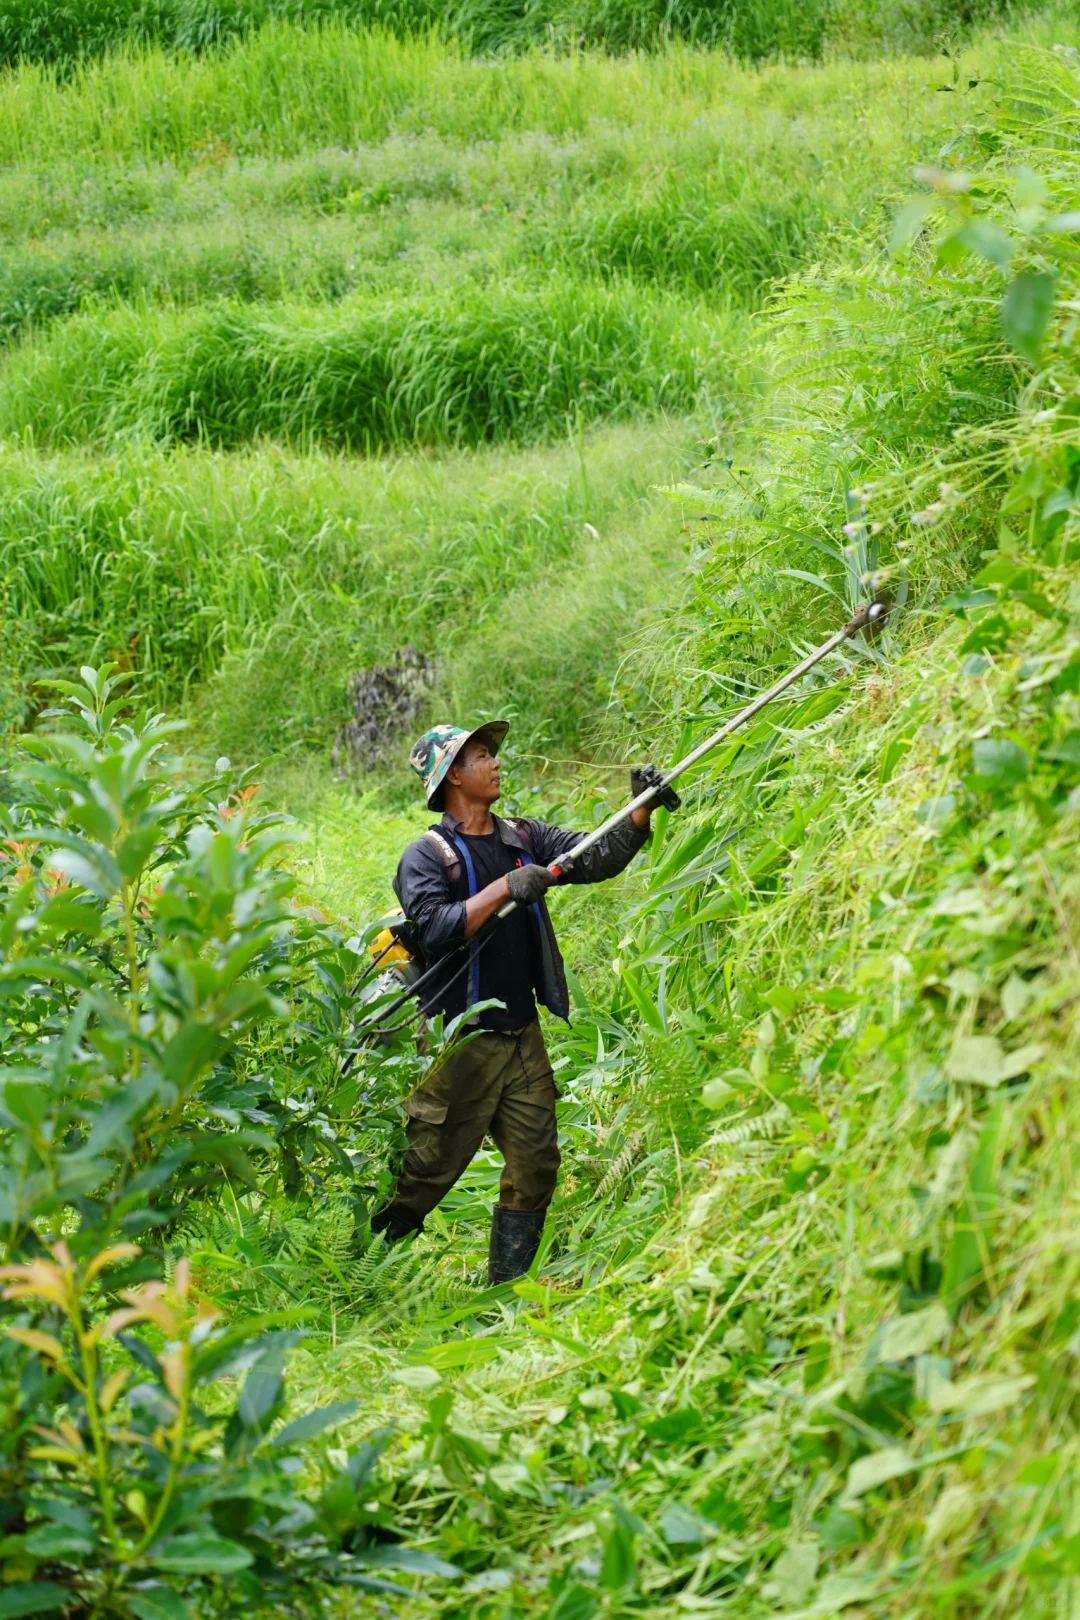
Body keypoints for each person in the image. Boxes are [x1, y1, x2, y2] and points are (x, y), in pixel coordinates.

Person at [370, 720, 679, 1285]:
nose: (495, 762)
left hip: (520, 1034)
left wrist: (639, 813)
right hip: (457, 1043)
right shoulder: (427, 856)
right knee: (423, 1173)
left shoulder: (522, 837)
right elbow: (435, 927)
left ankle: (507, 1289)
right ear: (453, 776)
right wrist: (504, 889)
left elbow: (593, 857)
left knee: (535, 1163)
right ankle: (360, 1271)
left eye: (491, 753)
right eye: (481, 755)